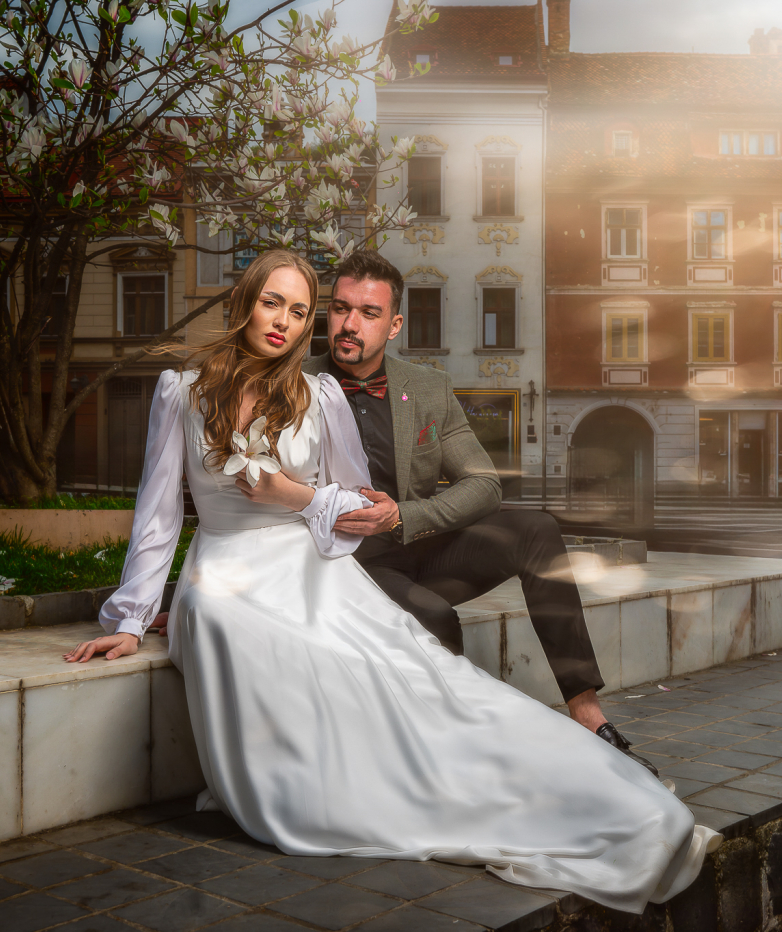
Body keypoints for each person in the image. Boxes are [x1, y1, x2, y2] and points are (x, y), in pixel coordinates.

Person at [64, 249, 720, 913]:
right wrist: (132, 617)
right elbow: (158, 513)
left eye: (307, 310)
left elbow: (416, 494)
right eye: (301, 306)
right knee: (396, 625)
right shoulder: (193, 387)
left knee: (509, 568)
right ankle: (410, 769)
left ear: (392, 323)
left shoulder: (358, 392)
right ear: (246, 304)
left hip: (360, 549)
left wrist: (366, 508)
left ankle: (581, 720)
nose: (309, 323)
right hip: (265, 567)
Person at [301, 250, 657, 776]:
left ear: (395, 324)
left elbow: (484, 483)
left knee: (536, 527)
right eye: (341, 308)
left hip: (418, 541)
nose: (350, 324)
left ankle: (587, 715)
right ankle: (453, 757)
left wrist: (405, 515)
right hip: (351, 566)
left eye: (369, 313)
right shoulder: (295, 383)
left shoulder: (426, 387)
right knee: (435, 616)